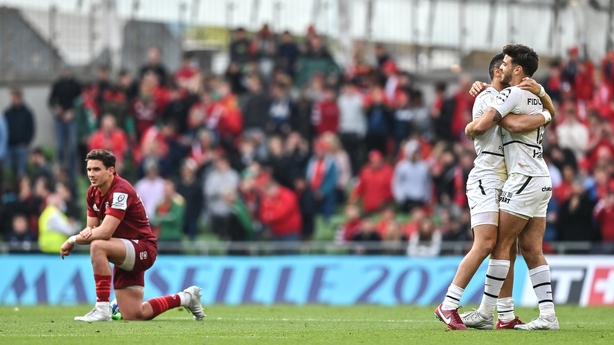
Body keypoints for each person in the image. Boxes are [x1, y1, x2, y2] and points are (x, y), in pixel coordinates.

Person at [435, 52, 556, 330]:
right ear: (495, 72)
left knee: (509, 248)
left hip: (512, 179)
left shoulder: (512, 97)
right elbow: (483, 125)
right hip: (487, 178)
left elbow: (500, 122)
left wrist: (544, 105)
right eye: (501, 65)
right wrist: (471, 126)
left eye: (507, 64)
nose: (505, 67)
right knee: (490, 244)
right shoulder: (491, 97)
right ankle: (451, 304)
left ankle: (503, 313)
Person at [59, 149, 204, 321]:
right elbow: (91, 230)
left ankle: (102, 309)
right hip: (124, 249)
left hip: (143, 247)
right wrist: (83, 236)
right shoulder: (92, 192)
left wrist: (72, 239)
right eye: (89, 169)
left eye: (97, 169)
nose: (91, 174)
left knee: (98, 245)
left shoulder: (120, 190)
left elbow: (104, 233)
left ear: (111, 170)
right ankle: (186, 298)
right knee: (135, 314)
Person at [4, 88, 35, 178]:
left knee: (21, 171)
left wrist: (26, 142)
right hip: (9, 147)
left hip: (21, 146)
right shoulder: (7, 113)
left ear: (19, 98)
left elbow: (31, 129)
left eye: (14, 97)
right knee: (7, 170)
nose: (13, 100)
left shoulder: (27, 113)